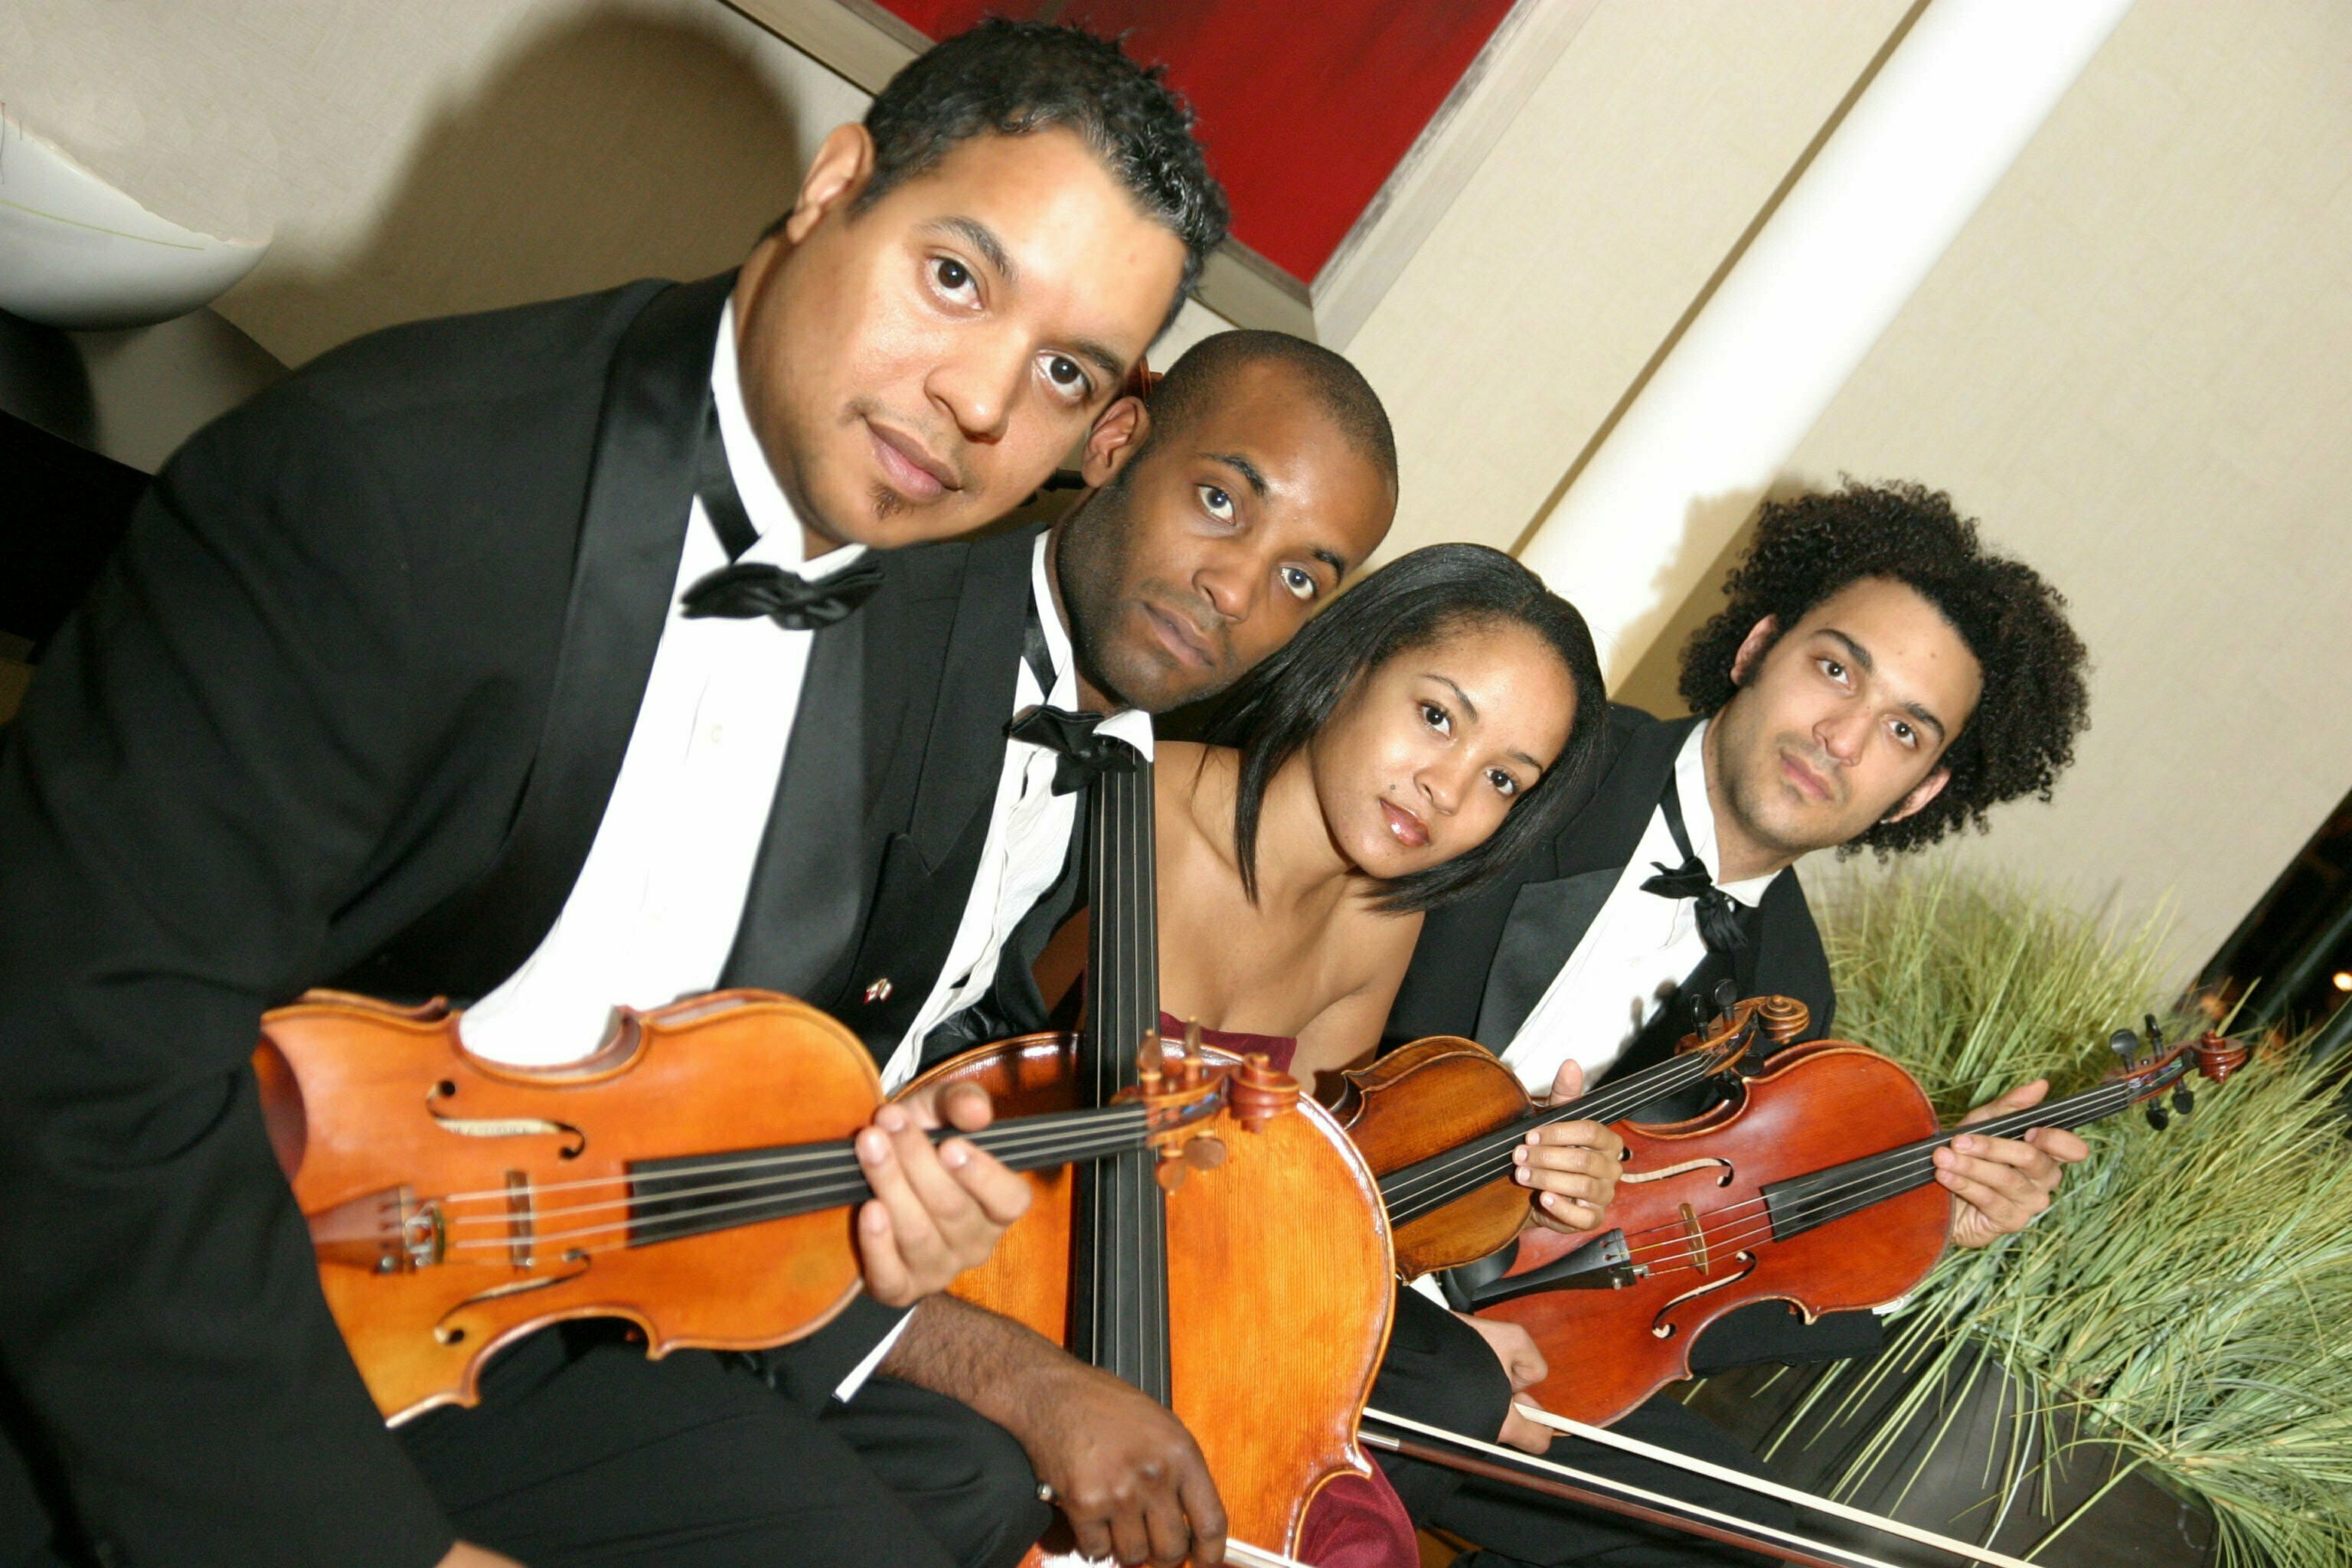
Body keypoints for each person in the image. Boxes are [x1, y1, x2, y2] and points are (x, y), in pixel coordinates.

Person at [0, 21, 1226, 1568]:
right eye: (955, 276)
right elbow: (77, 1078)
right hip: (160, 1300)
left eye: (1063, 371)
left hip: (487, 1320)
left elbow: (647, 1097)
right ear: (833, 186)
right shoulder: (387, 485)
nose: (984, 401)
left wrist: (869, 1216)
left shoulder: (913, 623)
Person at [1377, 481, 2097, 1566]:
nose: (1842, 738)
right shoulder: (1546, 762)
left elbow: (1702, 1290)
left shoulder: (1794, 997)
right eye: (1836, 669)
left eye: (1902, 729)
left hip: (1512, 1338)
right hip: (1323, 1228)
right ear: (1759, 647)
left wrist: (1929, 1211)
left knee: (1751, 1545)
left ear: (1917, 791)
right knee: (1450, 1395)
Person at [815, 327, 1403, 1568]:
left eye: (1302, 578)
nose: (1237, 591)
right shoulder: (871, 637)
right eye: (1221, 501)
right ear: (1117, 442)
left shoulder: (1120, 782)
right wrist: (1026, 1375)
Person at [1146, 542, 1615, 1567]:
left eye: (1502, 779)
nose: (1446, 789)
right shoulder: (1137, 803)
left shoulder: (1377, 923)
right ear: (1353, 662)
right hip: (1031, 1253)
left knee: (1450, 1392)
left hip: (1206, 1281)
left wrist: (1516, 1172)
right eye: (1437, 716)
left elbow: (1300, 1189)